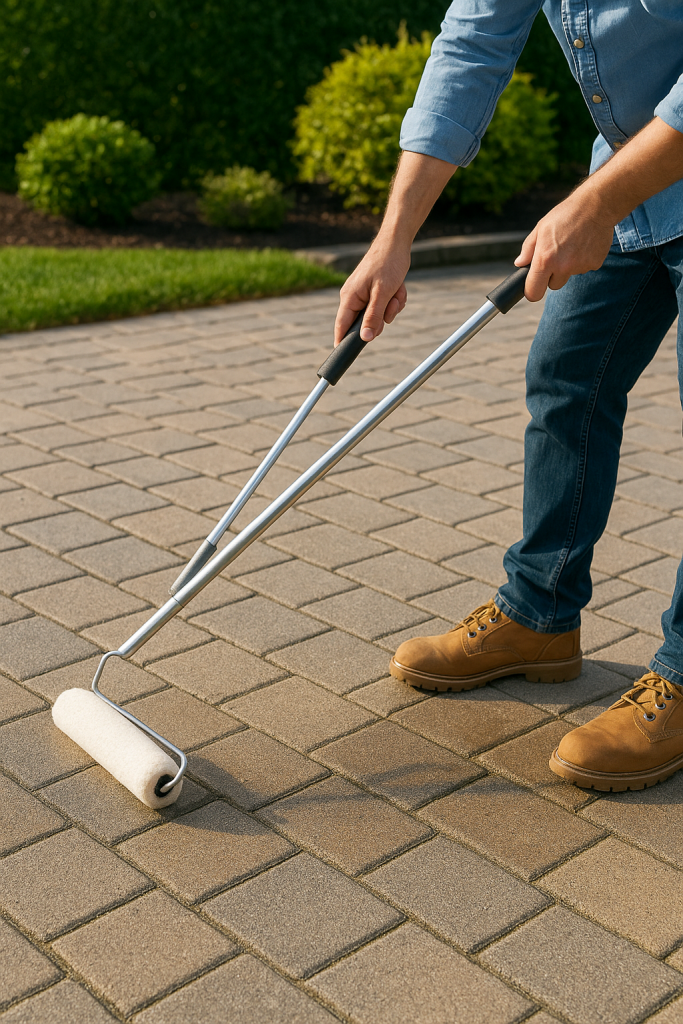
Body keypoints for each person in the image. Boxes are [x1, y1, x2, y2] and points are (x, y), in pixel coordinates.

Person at [335, 1, 683, 792]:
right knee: (565, 380)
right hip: (637, 183)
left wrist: (592, 202)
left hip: (634, 178)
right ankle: (539, 615)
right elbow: (470, 47)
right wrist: (392, 241)